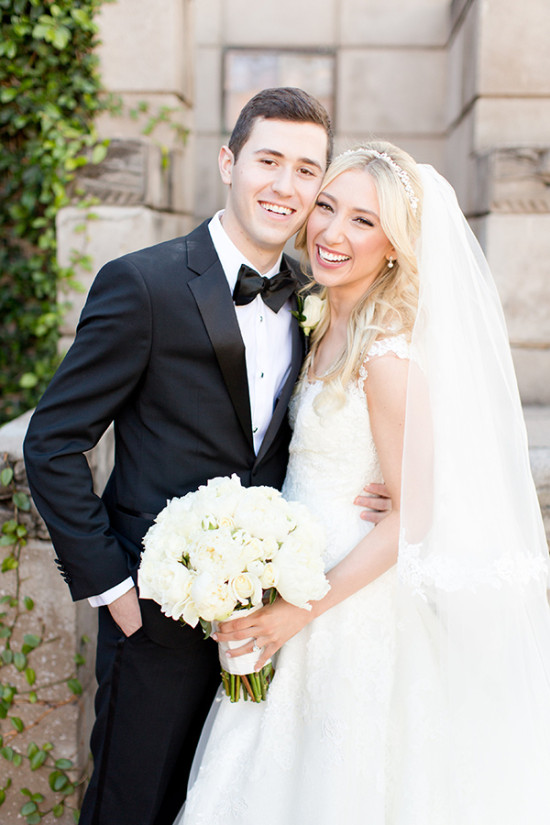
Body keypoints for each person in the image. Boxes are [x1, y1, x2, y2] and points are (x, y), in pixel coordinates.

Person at [23, 87, 391, 825]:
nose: (285, 186)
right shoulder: (144, 283)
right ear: (229, 162)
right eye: (269, 160)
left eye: (306, 170)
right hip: (154, 624)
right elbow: (52, 441)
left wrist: (379, 480)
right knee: (133, 807)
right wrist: (114, 592)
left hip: (269, 631)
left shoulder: (316, 300)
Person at [176, 142, 550, 825]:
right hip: (294, 569)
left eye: (363, 221)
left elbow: (412, 516)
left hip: (347, 605)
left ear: (396, 246)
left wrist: (300, 611)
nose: (332, 233)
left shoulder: (387, 353)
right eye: (327, 208)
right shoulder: (320, 318)